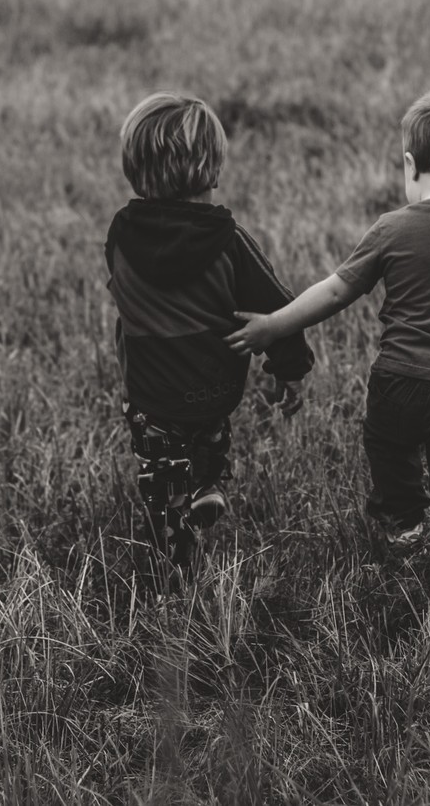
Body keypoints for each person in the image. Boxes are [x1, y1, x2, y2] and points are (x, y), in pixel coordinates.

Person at [227, 88, 430, 565]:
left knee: (390, 451)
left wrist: (273, 324)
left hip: (400, 383)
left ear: (411, 165)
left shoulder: (392, 228)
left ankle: (403, 524)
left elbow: (335, 291)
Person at [106, 92, 312, 572]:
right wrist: (290, 369)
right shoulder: (229, 241)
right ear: (213, 170)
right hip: (214, 385)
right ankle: (207, 485)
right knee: (208, 439)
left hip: (151, 394)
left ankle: (173, 551)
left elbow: (119, 288)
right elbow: (278, 306)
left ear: (134, 169)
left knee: (162, 477)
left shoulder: (121, 233)